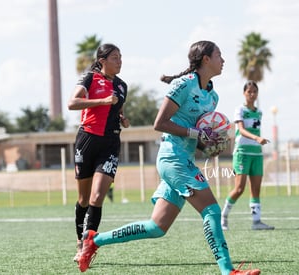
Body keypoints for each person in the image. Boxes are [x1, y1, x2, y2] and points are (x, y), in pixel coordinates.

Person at [78, 41, 261, 275]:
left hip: (184, 159)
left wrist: (209, 145)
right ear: (205, 59)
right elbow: (160, 124)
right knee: (212, 211)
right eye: (219, 55)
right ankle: (228, 271)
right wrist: (197, 134)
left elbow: (198, 135)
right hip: (172, 159)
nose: (223, 60)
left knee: (157, 227)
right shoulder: (183, 85)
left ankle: (94, 239)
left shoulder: (212, 96)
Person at [68, 43, 130, 262]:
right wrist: (101, 101)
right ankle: (79, 239)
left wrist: (122, 117)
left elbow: (117, 108)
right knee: (84, 198)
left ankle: (88, 247)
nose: (120, 61)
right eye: (115, 57)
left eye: (121, 57)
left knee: (97, 196)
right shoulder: (90, 78)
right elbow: (72, 103)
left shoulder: (122, 85)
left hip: (110, 143)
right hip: (87, 141)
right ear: (102, 60)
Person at [221, 81, 274, 231]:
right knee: (239, 189)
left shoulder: (259, 112)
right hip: (242, 153)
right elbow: (241, 130)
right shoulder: (240, 110)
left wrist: (258, 141)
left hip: (256, 154)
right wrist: (257, 138)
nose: (252, 94)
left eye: (254, 92)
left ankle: (256, 222)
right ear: (244, 93)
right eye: (249, 91)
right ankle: (223, 216)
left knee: (256, 189)